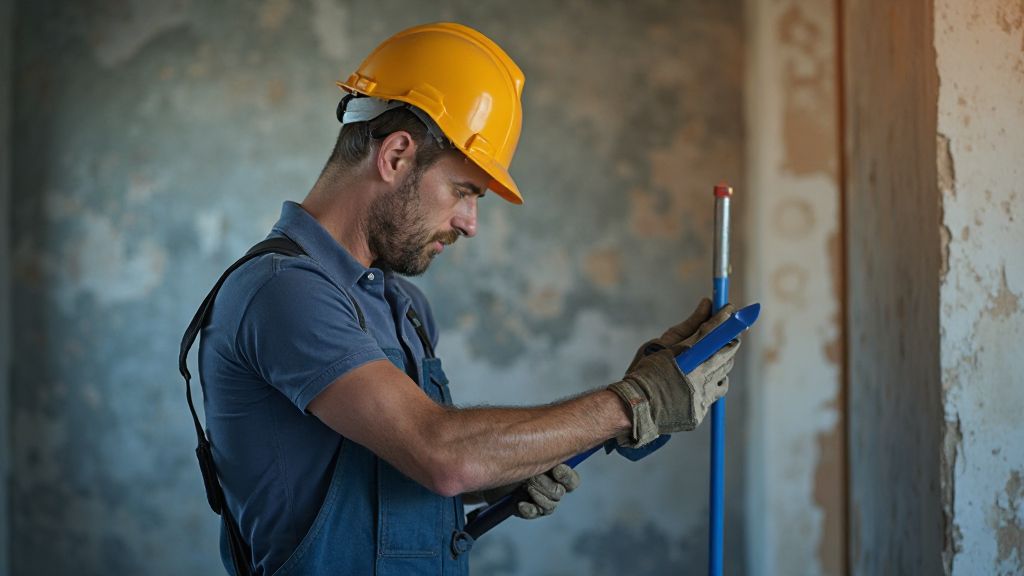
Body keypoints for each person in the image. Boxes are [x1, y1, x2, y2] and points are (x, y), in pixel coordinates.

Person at [184, 22, 739, 576]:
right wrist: (632, 402)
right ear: (397, 155)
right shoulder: (283, 291)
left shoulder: (403, 309)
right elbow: (442, 454)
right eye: (464, 191)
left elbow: (404, 469)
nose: (470, 224)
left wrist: (508, 469)